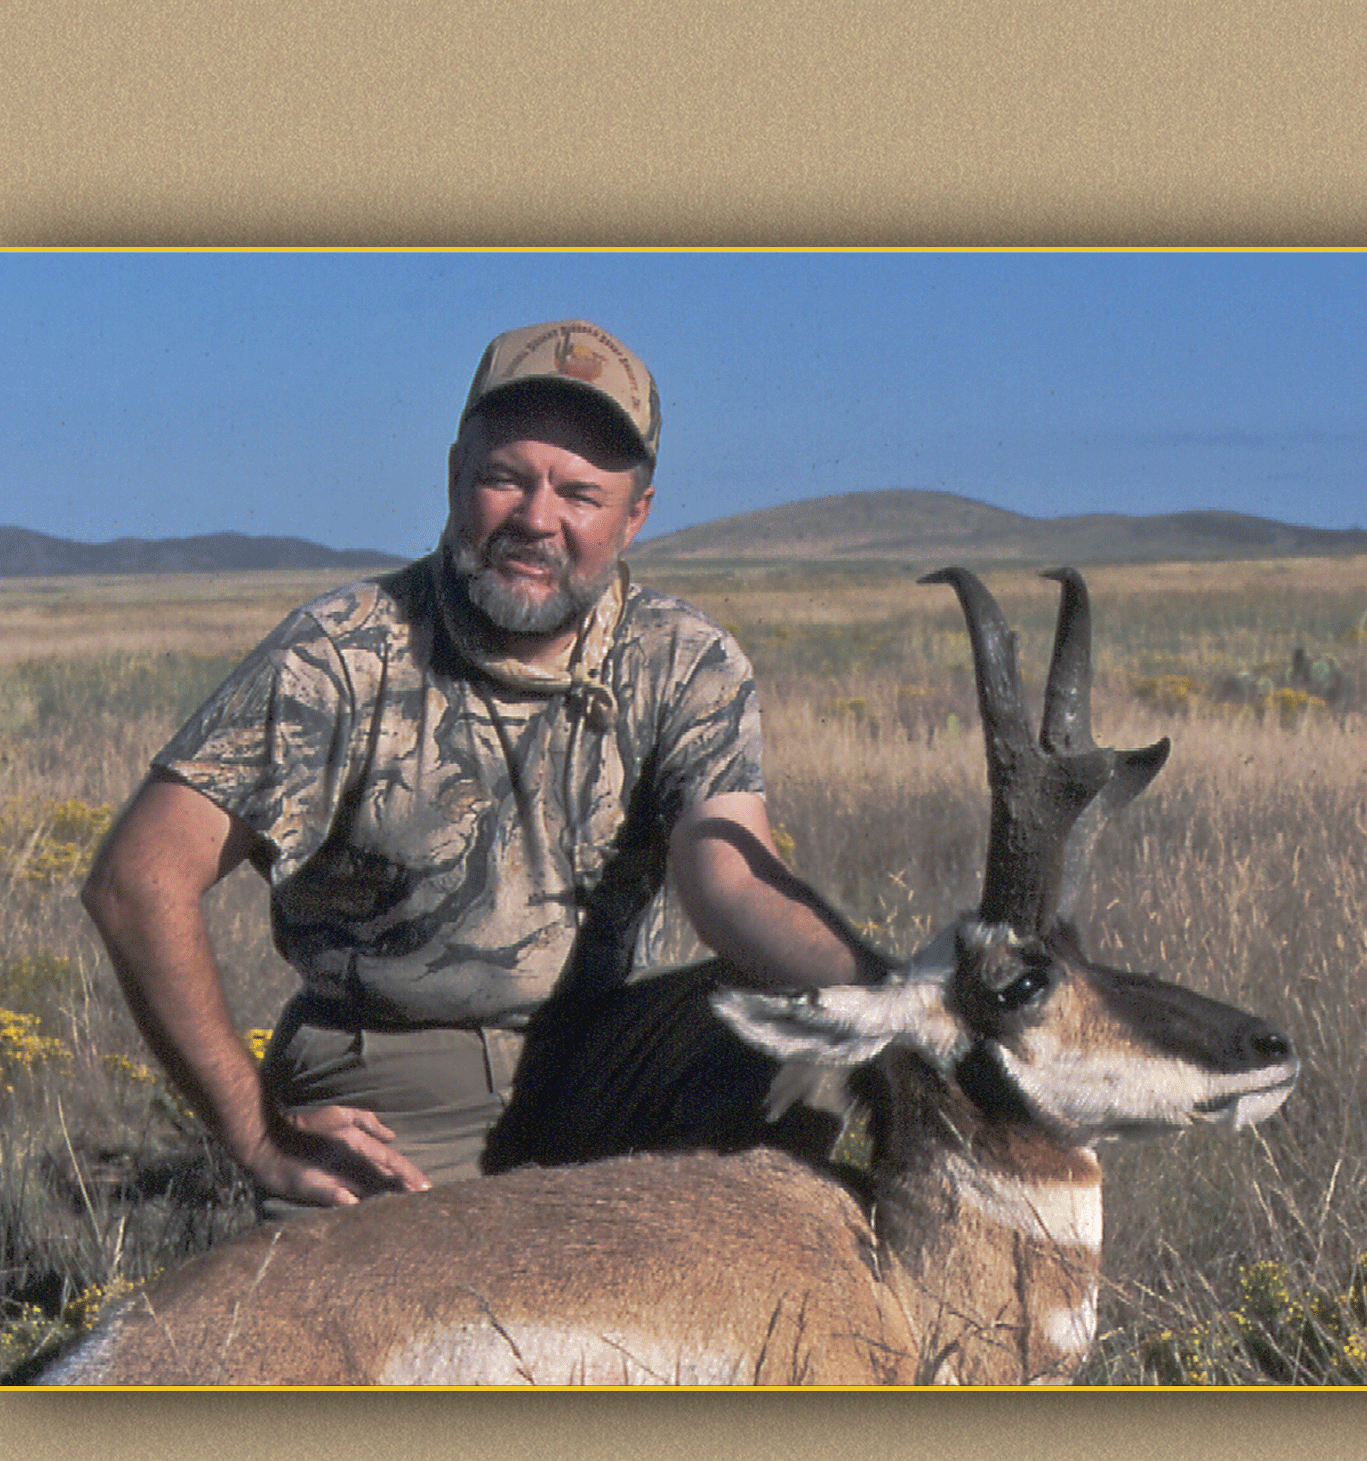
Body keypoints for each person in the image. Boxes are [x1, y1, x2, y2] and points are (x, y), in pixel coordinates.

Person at [81, 319, 887, 1213]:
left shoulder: (686, 659)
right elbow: (136, 877)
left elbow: (729, 872)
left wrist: (897, 1000)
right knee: (353, 1338)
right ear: (456, 473)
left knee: (814, 1030)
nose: (537, 520)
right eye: (506, 478)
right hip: (392, 1087)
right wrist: (256, 1133)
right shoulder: (341, 654)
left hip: (602, 1059)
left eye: (580, 494)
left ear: (637, 514)